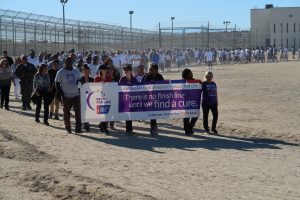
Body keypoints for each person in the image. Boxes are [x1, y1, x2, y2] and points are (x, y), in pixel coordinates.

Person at [55, 57, 82, 134]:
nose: (69, 63)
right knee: (66, 113)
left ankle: (78, 129)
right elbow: (57, 84)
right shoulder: (61, 72)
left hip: (76, 95)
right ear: (65, 62)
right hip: (66, 95)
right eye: (67, 61)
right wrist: (62, 94)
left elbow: (79, 81)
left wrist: (80, 82)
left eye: (70, 61)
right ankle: (68, 127)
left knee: (78, 112)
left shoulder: (76, 71)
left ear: (72, 62)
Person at [143, 63, 164, 136]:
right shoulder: (147, 76)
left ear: (156, 70)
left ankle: (154, 127)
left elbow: (164, 86)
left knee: (154, 113)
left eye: (151, 69)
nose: (150, 70)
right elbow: (142, 85)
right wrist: (147, 75)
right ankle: (153, 127)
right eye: (149, 69)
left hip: (157, 97)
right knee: (152, 112)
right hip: (148, 97)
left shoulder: (160, 76)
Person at [119, 64, 138, 135]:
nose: (125, 71)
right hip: (125, 99)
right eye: (124, 70)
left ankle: (130, 129)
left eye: (127, 70)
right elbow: (119, 88)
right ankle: (128, 129)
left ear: (130, 71)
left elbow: (138, 88)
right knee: (127, 114)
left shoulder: (134, 79)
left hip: (133, 99)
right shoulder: (122, 79)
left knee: (131, 114)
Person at [181, 68, 201, 135]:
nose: (192, 74)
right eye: (190, 73)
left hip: (194, 101)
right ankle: (187, 130)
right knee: (186, 116)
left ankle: (189, 128)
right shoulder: (182, 81)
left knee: (195, 115)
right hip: (185, 101)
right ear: (186, 74)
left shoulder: (194, 80)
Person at [94, 64, 112, 134]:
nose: (106, 70)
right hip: (100, 97)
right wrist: (99, 84)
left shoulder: (109, 77)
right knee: (103, 113)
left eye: (106, 69)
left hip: (108, 96)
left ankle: (102, 125)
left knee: (108, 113)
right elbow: (95, 88)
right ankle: (104, 127)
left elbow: (111, 86)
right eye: (104, 69)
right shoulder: (97, 78)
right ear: (101, 70)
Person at [79, 64, 94, 132]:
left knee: (88, 111)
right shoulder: (80, 79)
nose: (86, 72)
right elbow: (78, 88)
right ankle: (83, 124)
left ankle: (86, 124)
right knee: (82, 111)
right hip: (82, 97)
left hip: (89, 97)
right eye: (84, 70)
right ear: (83, 71)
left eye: (87, 70)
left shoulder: (92, 79)